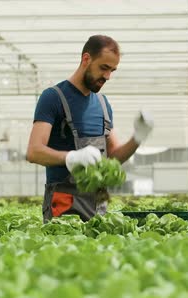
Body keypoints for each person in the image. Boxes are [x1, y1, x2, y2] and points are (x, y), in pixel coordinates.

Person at [26, 35, 153, 222]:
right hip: (64, 204)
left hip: (98, 205)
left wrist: (137, 138)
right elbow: (34, 152)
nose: (107, 76)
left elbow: (114, 156)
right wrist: (71, 158)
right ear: (86, 59)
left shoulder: (103, 104)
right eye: (104, 68)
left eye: (112, 70)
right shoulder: (53, 98)